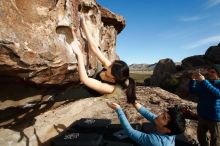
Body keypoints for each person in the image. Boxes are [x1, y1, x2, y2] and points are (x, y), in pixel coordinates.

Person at [65, 15, 136, 103]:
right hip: (93, 80)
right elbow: (94, 48)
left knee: (63, 95)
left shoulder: (110, 88)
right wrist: (83, 25)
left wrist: (79, 54)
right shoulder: (111, 67)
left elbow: (84, 79)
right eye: (111, 64)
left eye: (110, 67)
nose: (108, 65)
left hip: (89, 92)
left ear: (113, 78)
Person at [106, 101, 186, 146]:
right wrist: (134, 101)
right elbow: (148, 114)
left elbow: (130, 131)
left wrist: (118, 110)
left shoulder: (156, 142)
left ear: (167, 129)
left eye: (163, 118)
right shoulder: (171, 130)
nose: (160, 115)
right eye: (163, 114)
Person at [189, 64, 220, 146]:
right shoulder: (205, 83)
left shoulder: (215, 83)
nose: (210, 73)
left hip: (215, 117)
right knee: (201, 136)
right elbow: (193, 91)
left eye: (213, 72)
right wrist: (193, 79)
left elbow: (218, 94)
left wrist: (204, 81)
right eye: (209, 72)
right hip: (202, 115)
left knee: (215, 139)